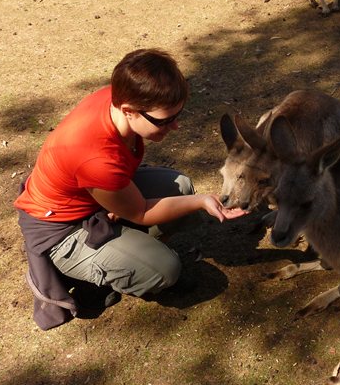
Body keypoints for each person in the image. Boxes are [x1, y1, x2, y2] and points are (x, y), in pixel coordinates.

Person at [15, 48, 246, 330]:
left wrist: (193, 199)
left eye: (178, 114)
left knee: (180, 187)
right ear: (128, 110)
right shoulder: (94, 155)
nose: (175, 126)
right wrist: (202, 201)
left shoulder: (120, 102)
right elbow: (140, 212)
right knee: (166, 269)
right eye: (164, 121)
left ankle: (127, 251)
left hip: (91, 198)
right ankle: (82, 274)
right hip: (60, 229)